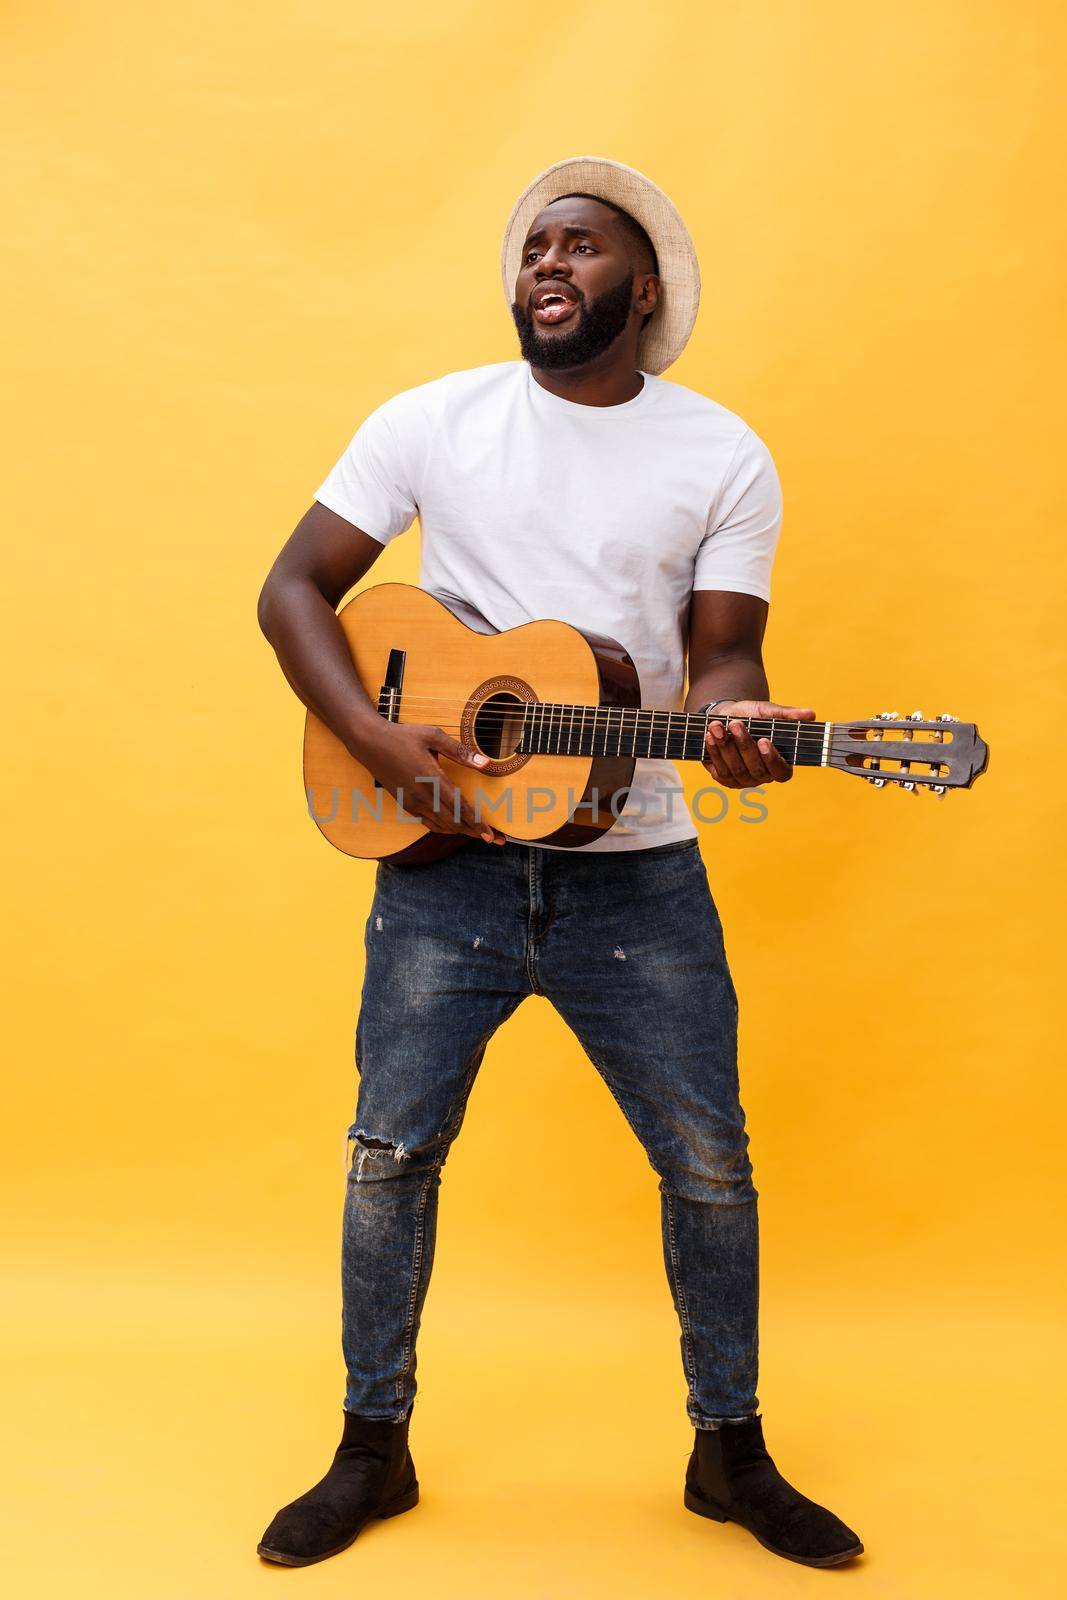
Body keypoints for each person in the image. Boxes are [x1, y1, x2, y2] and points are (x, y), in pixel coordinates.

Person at [255, 156, 863, 1570]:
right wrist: (379, 740)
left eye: (577, 245)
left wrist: (736, 733)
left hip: (637, 873)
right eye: (534, 243)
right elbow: (293, 591)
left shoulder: (724, 454)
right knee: (388, 1159)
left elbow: (722, 664)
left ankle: (730, 1452)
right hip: (440, 866)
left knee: (709, 1167)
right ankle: (372, 1446)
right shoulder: (434, 420)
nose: (544, 261)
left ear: (640, 290)